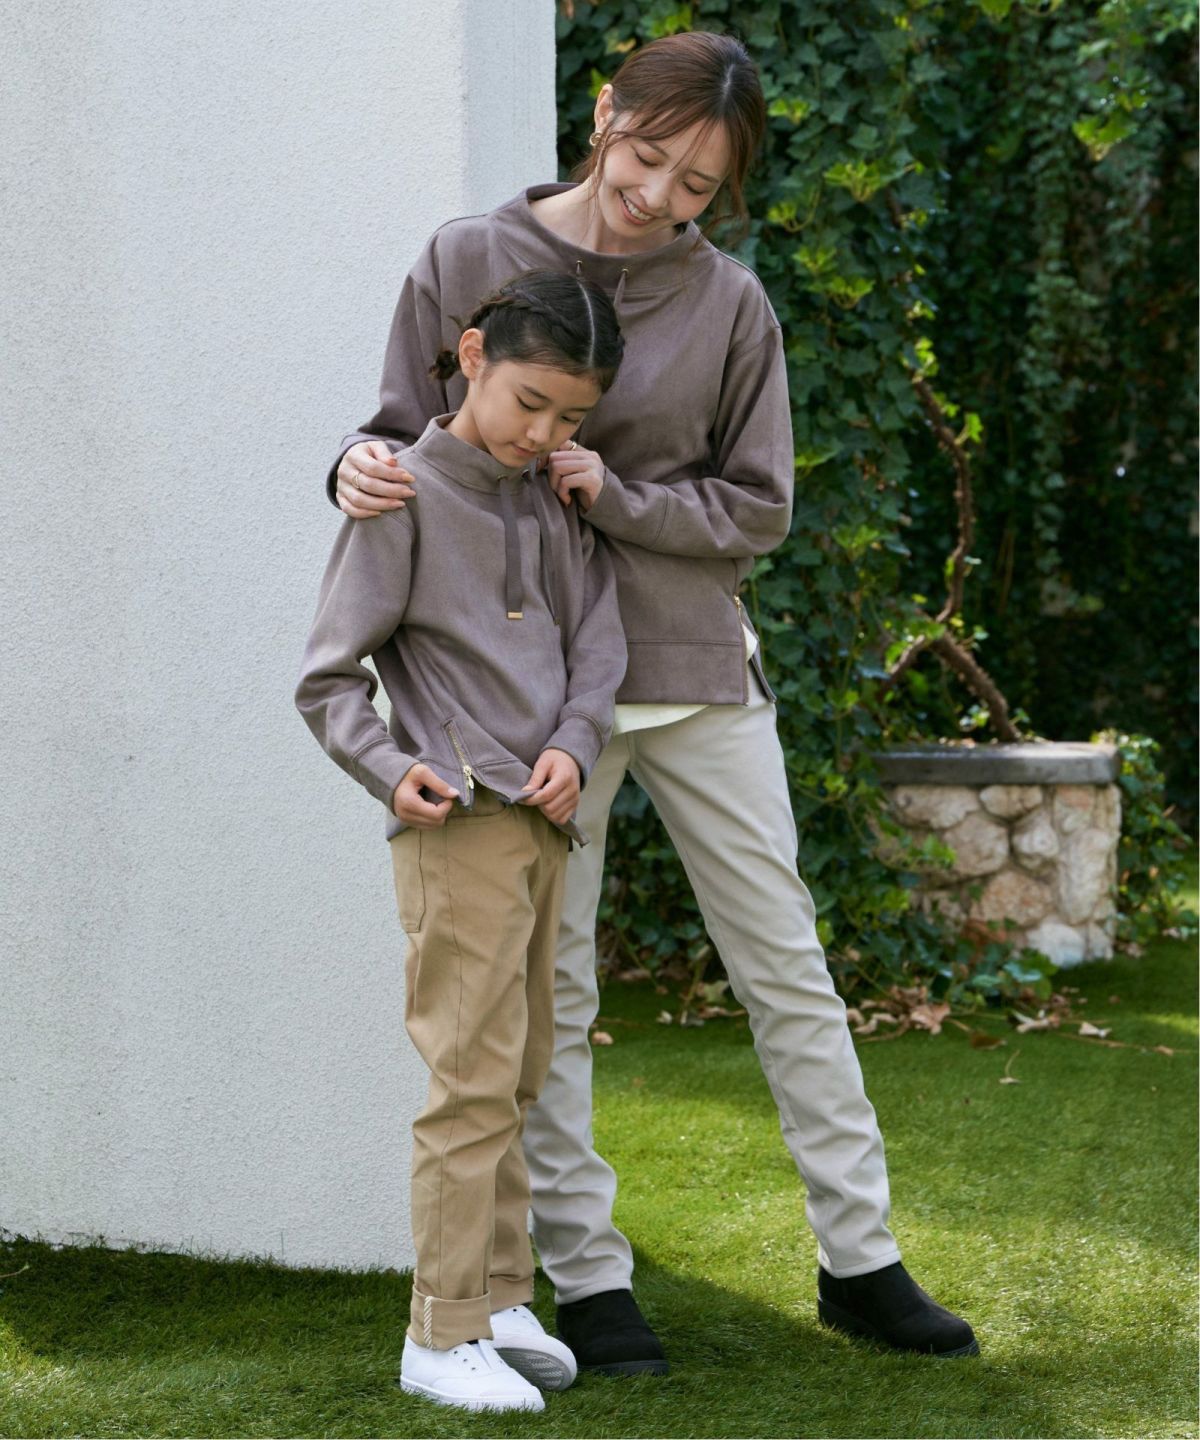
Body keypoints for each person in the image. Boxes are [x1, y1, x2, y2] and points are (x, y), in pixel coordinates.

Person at [327, 32, 978, 1368]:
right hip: (520, 695)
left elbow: (760, 508)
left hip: (687, 668)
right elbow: (400, 432)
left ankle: (862, 1261)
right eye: (649, 156)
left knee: (782, 963)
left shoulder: (732, 303)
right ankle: (589, 1280)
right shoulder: (467, 256)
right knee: (550, 994)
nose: (660, 195)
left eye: (697, 184)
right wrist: (350, 464)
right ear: (605, 112)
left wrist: (617, 498)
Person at [296, 270, 629, 1413]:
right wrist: (394, 769)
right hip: (459, 830)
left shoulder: (552, 499)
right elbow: (327, 678)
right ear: (474, 356)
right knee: (468, 1083)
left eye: (571, 417)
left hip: (543, 823)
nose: (544, 434)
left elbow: (598, 644)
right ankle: (437, 1334)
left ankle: (497, 1298)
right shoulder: (398, 495)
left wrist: (577, 744)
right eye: (531, 402)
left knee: (521, 1073)